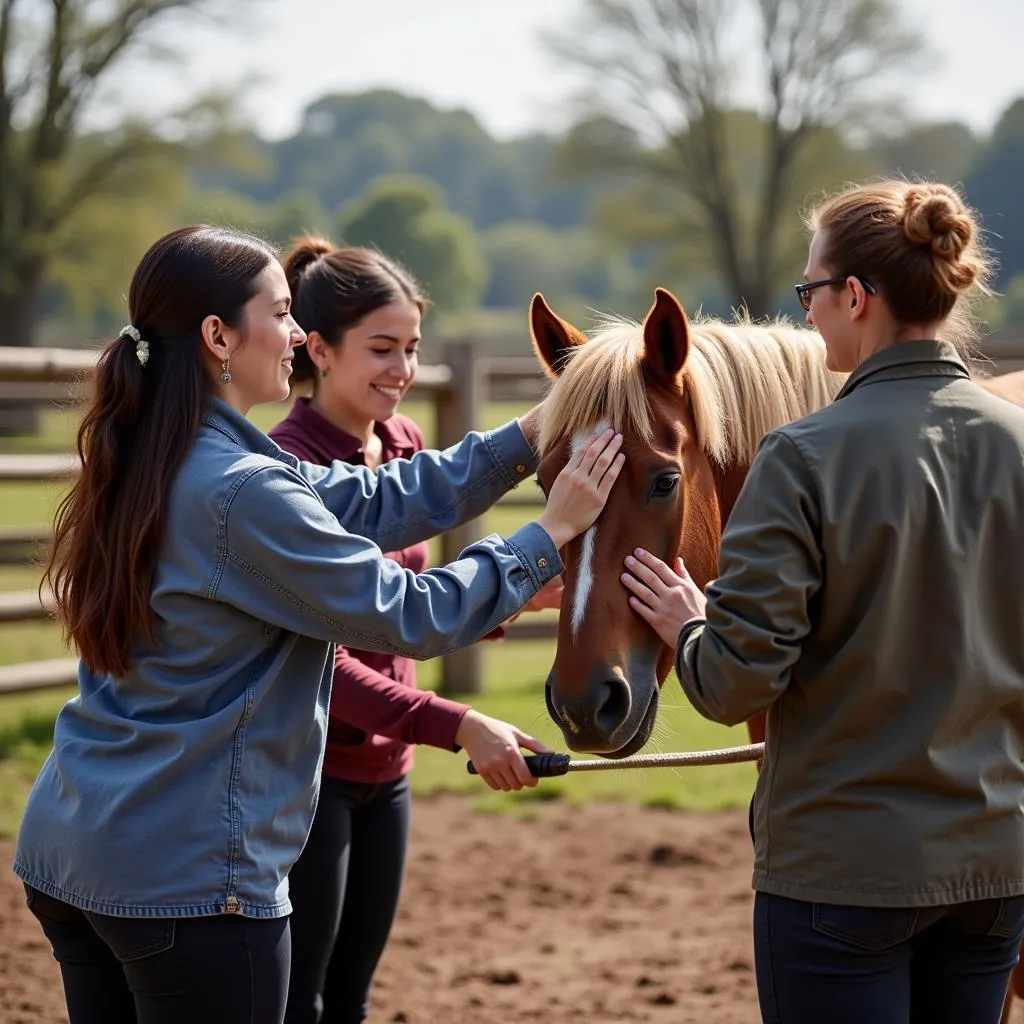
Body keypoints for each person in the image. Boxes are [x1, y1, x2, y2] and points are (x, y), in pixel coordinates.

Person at [12, 224, 625, 1024]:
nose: (298, 332)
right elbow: (407, 614)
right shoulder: (240, 490)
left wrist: (530, 433)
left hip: (78, 849)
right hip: (189, 878)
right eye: (280, 312)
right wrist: (549, 533)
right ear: (218, 337)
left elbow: (378, 501)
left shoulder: (170, 454)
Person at [621, 181, 1024, 1024]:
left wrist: (690, 623)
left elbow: (735, 685)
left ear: (855, 296)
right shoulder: (1015, 443)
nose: (805, 312)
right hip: (995, 874)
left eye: (810, 292)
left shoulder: (801, 454)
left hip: (844, 878)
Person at [267, 237, 562, 1024]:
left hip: (387, 770)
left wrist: (517, 603)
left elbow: (400, 606)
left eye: (412, 349)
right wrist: (456, 722)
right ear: (318, 350)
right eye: (382, 349)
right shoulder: (284, 469)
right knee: (300, 999)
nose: (402, 369)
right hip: (314, 772)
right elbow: (323, 658)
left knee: (354, 997)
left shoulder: (401, 448)